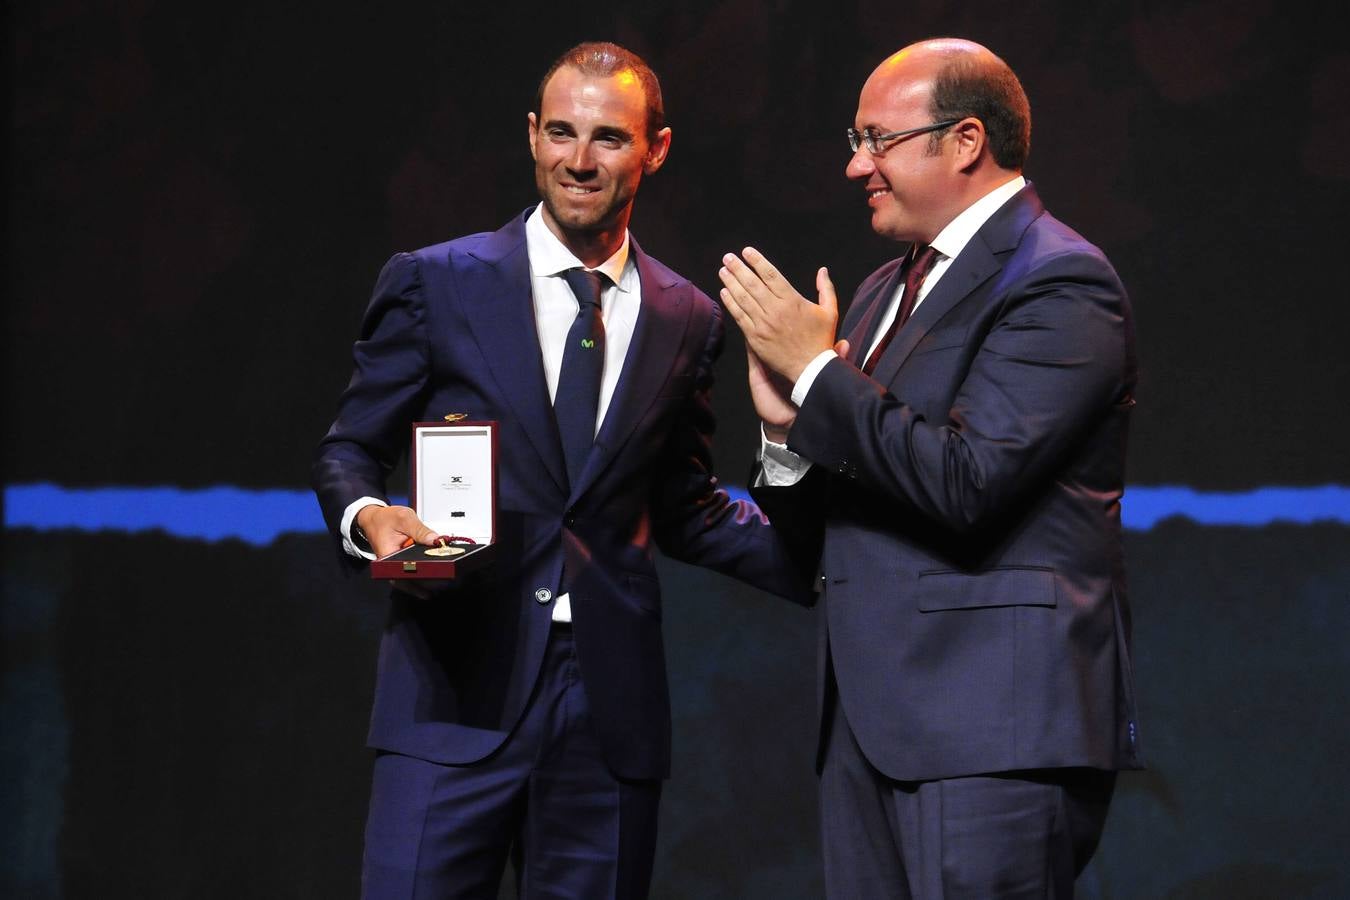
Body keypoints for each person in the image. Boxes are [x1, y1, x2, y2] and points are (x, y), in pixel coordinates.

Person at [313, 41, 808, 899]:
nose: (579, 161)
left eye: (608, 138)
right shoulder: (438, 282)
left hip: (608, 714)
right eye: (562, 133)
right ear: (533, 136)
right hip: (452, 695)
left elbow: (685, 510)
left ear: (654, 149)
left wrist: (830, 543)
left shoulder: (686, 317)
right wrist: (368, 518)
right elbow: (350, 448)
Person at [718, 37, 1142, 897]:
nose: (855, 166)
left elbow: (967, 481)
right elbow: (835, 528)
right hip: (870, 727)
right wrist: (785, 433)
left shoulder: (1060, 281)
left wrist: (815, 374)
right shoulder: (883, 289)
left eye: (878, 139)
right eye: (856, 138)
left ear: (964, 141)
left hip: (990, 733)